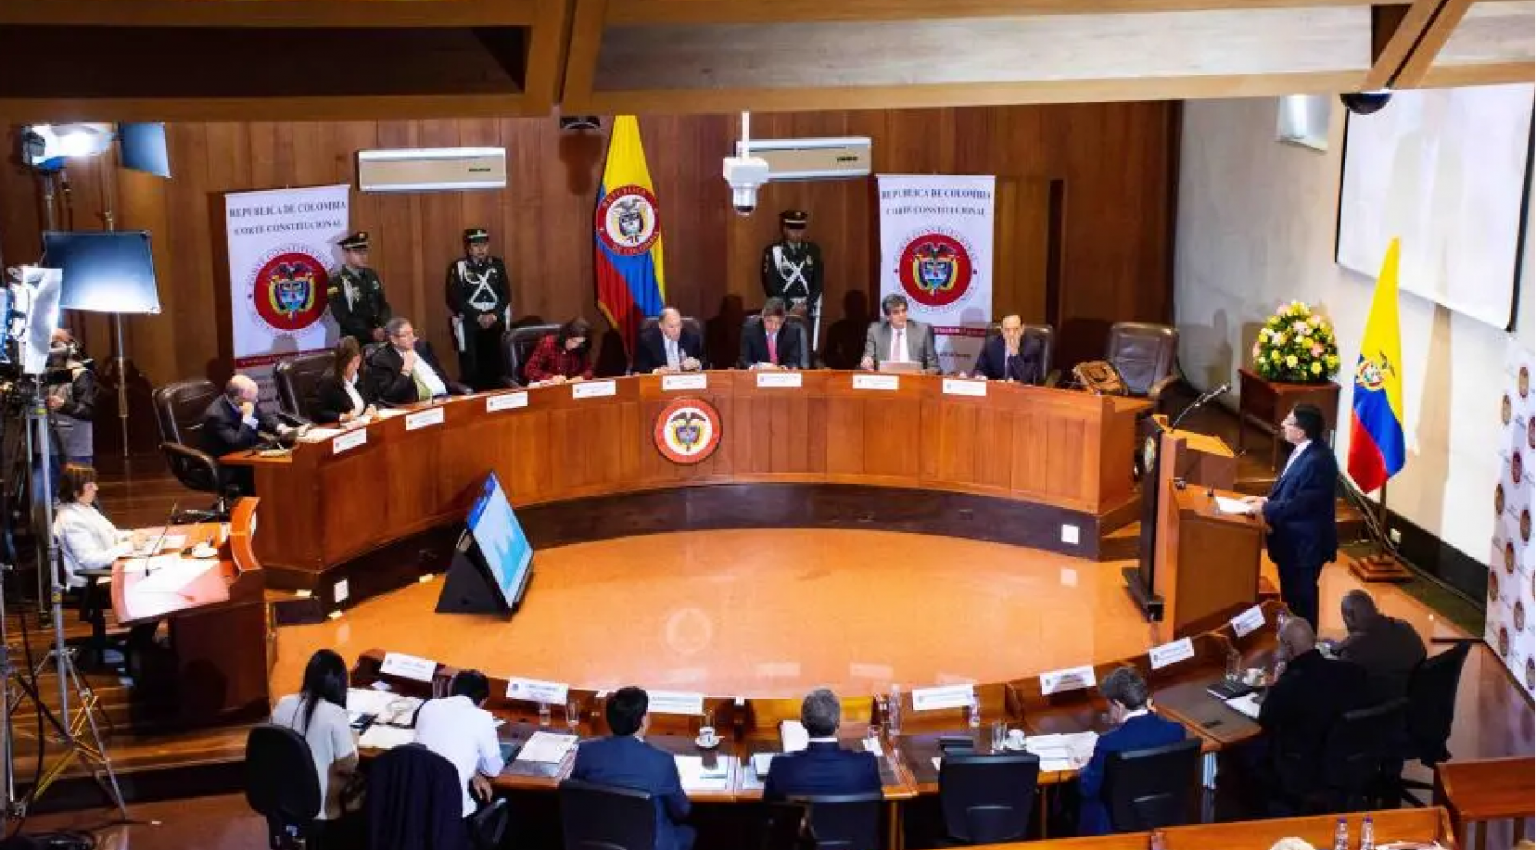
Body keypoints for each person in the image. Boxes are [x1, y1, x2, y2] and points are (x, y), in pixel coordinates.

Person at [1241, 403, 1338, 630]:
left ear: (1301, 431)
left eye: (1288, 421)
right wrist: (1264, 500)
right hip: (1293, 542)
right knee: (1292, 597)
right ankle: (1293, 637)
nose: (1283, 424)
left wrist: (1265, 509)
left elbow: (1301, 505)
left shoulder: (1318, 461)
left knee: (1302, 600)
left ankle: (1305, 641)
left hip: (1305, 545)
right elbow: (1291, 490)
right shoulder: (1304, 451)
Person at [1254, 618, 1370, 805]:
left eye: (1279, 643)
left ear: (1289, 648)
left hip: (1302, 768)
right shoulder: (1350, 671)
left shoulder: (1288, 685)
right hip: (1343, 762)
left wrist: (1277, 682)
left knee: (1246, 754)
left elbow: (1265, 719)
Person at [571, 686, 694, 850]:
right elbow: (682, 810)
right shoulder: (662, 761)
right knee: (690, 833)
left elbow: (576, 793)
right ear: (643, 720)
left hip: (601, 841)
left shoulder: (587, 751)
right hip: (651, 845)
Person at [1076, 667, 1188, 835]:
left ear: (1119, 705)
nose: (1108, 712)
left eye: (1108, 706)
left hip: (1115, 825)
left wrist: (1083, 768)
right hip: (1162, 816)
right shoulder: (1176, 731)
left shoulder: (1109, 742)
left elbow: (1088, 788)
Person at [271, 649, 362, 847]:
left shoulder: (282, 704)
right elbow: (348, 766)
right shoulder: (335, 713)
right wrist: (353, 742)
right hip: (321, 810)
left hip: (285, 802)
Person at [413, 669, 506, 820]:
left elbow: (428, 750)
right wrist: (474, 771)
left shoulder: (427, 707)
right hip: (453, 814)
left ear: (450, 690)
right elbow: (493, 770)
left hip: (415, 806)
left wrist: (473, 772)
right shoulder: (482, 718)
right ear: (483, 701)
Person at [762, 688, 880, 801]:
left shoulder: (780, 765)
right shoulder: (867, 763)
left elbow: (769, 807)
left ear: (803, 723)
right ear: (838, 723)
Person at [201, 374, 291, 495]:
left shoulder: (247, 400)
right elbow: (238, 444)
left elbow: (263, 417)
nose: (256, 401)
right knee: (269, 472)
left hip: (249, 452)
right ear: (237, 398)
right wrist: (247, 417)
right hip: (229, 464)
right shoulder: (216, 416)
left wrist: (281, 427)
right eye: (253, 400)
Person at [446, 228, 512, 391]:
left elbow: (506, 295)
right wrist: (478, 317)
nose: (481, 249)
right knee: (472, 368)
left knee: (498, 364)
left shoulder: (497, 264)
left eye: (484, 245)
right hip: (471, 322)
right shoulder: (458, 267)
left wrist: (494, 315)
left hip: (495, 320)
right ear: (468, 248)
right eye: (476, 245)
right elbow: (455, 298)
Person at [1333, 589, 1427, 702]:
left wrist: (1345, 646)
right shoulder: (1406, 629)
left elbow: (1342, 683)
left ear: (1349, 618)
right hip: (1413, 703)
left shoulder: (1352, 651)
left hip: (1376, 708)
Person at [53, 464, 137, 589]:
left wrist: (134, 534)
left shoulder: (86, 508)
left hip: (105, 568)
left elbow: (112, 533)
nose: (96, 488)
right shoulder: (71, 520)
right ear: (76, 493)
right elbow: (91, 562)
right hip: (93, 580)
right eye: (90, 486)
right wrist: (130, 545)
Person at [364, 317, 458, 405]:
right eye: (406, 335)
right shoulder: (382, 359)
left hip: (446, 398)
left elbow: (442, 375)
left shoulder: (422, 347)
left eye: (412, 333)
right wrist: (406, 370)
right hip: (417, 405)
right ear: (393, 339)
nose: (412, 338)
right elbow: (390, 395)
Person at [761, 210, 823, 330]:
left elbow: (818, 283)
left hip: (807, 310)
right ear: (785, 229)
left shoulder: (813, 251)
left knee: (806, 340)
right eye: (793, 229)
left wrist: (807, 305)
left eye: (800, 229)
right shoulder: (773, 252)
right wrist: (790, 306)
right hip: (782, 309)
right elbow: (770, 285)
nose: (797, 233)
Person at [327, 231, 392, 345]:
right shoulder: (336, 281)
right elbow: (342, 316)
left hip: (380, 336)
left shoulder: (371, 274)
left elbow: (383, 304)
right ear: (346, 253)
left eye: (365, 252)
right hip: (355, 341)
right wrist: (370, 332)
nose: (363, 256)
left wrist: (382, 326)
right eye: (358, 252)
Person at [860, 294, 939, 373]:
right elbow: (868, 355)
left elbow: (934, 367)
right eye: (896, 312)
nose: (901, 315)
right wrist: (867, 361)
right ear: (887, 317)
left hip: (914, 378)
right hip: (886, 378)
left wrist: (921, 373)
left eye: (903, 311)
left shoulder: (923, 331)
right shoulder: (875, 331)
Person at [312, 337, 376, 425]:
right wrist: (342, 417)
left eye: (357, 360)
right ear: (342, 362)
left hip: (365, 423)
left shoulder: (364, 373)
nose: (356, 365)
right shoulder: (328, 381)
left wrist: (372, 407)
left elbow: (376, 397)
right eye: (351, 362)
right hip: (341, 427)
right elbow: (319, 412)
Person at [969, 314, 1045, 384]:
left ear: (1022, 329)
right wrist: (979, 376)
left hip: (1021, 391)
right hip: (997, 389)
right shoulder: (991, 344)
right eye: (1007, 330)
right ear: (1002, 331)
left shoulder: (1031, 346)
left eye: (1016, 329)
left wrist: (1015, 354)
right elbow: (979, 368)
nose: (1011, 334)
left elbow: (1026, 378)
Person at [523, 317, 594, 385]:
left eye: (580, 342)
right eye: (573, 341)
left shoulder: (581, 347)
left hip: (570, 388)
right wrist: (551, 378)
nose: (575, 345)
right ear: (566, 335)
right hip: (549, 387)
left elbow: (589, 370)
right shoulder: (547, 344)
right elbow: (529, 370)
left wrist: (582, 377)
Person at [738, 298, 804, 370]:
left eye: (778, 323)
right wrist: (756, 367)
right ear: (763, 317)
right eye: (769, 321)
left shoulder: (792, 332)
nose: (773, 327)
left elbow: (794, 361)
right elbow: (744, 360)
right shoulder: (750, 330)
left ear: (784, 320)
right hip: (758, 374)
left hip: (783, 375)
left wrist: (781, 369)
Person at [634, 308, 704, 374]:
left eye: (678, 325)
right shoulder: (647, 341)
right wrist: (656, 371)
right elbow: (639, 368)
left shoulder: (691, 337)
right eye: (671, 326)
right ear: (661, 326)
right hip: (660, 381)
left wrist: (697, 364)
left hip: (686, 380)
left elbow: (704, 362)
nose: (676, 330)